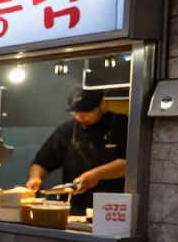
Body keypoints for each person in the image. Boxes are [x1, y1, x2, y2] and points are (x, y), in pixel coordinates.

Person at [25, 86, 128, 214]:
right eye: (76, 112)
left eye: (86, 111)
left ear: (100, 105)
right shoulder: (66, 131)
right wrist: (35, 177)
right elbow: (42, 162)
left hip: (113, 207)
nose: (80, 116)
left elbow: (131, 164)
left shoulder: (121, 124)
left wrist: (97, 175)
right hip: (75, 206)